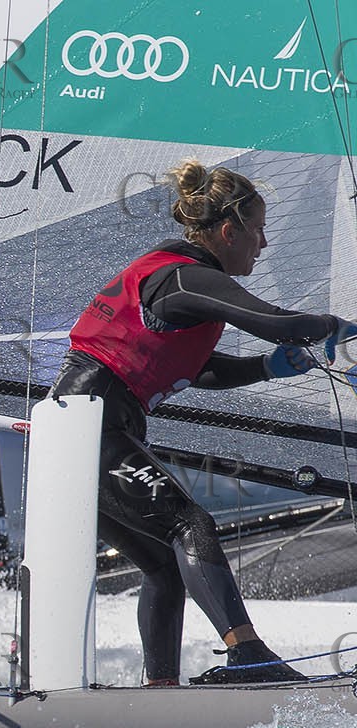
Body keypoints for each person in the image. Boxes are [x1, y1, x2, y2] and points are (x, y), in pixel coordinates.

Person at [52, 158, 357, 686]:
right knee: (190, 525)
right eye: (257, 230)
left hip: (82, 427)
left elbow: (194, 368)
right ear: (228, 231)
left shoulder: (182, 282)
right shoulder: (186, 277)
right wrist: (335, 325)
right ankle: (249, 655)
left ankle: (161, 688)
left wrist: (266, 368)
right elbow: (273, 321)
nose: (263, 244)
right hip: (89, 425)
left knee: (163, 564)